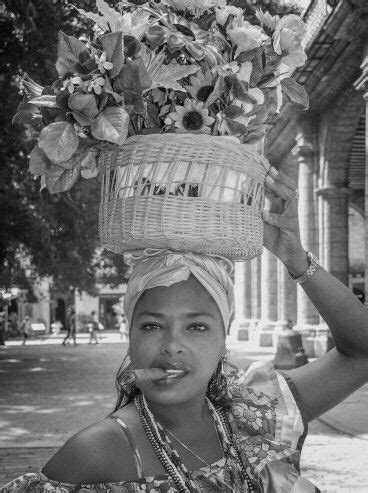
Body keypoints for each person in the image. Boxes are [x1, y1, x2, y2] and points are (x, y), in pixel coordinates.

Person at [2, 167, 368, 492]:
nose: (172, 345)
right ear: (129, 336)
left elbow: (361, 351)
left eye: (196, 326)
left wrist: (295, 257)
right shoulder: (97, 453)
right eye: (151, 325)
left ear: (224, 338)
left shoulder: (256, 415)